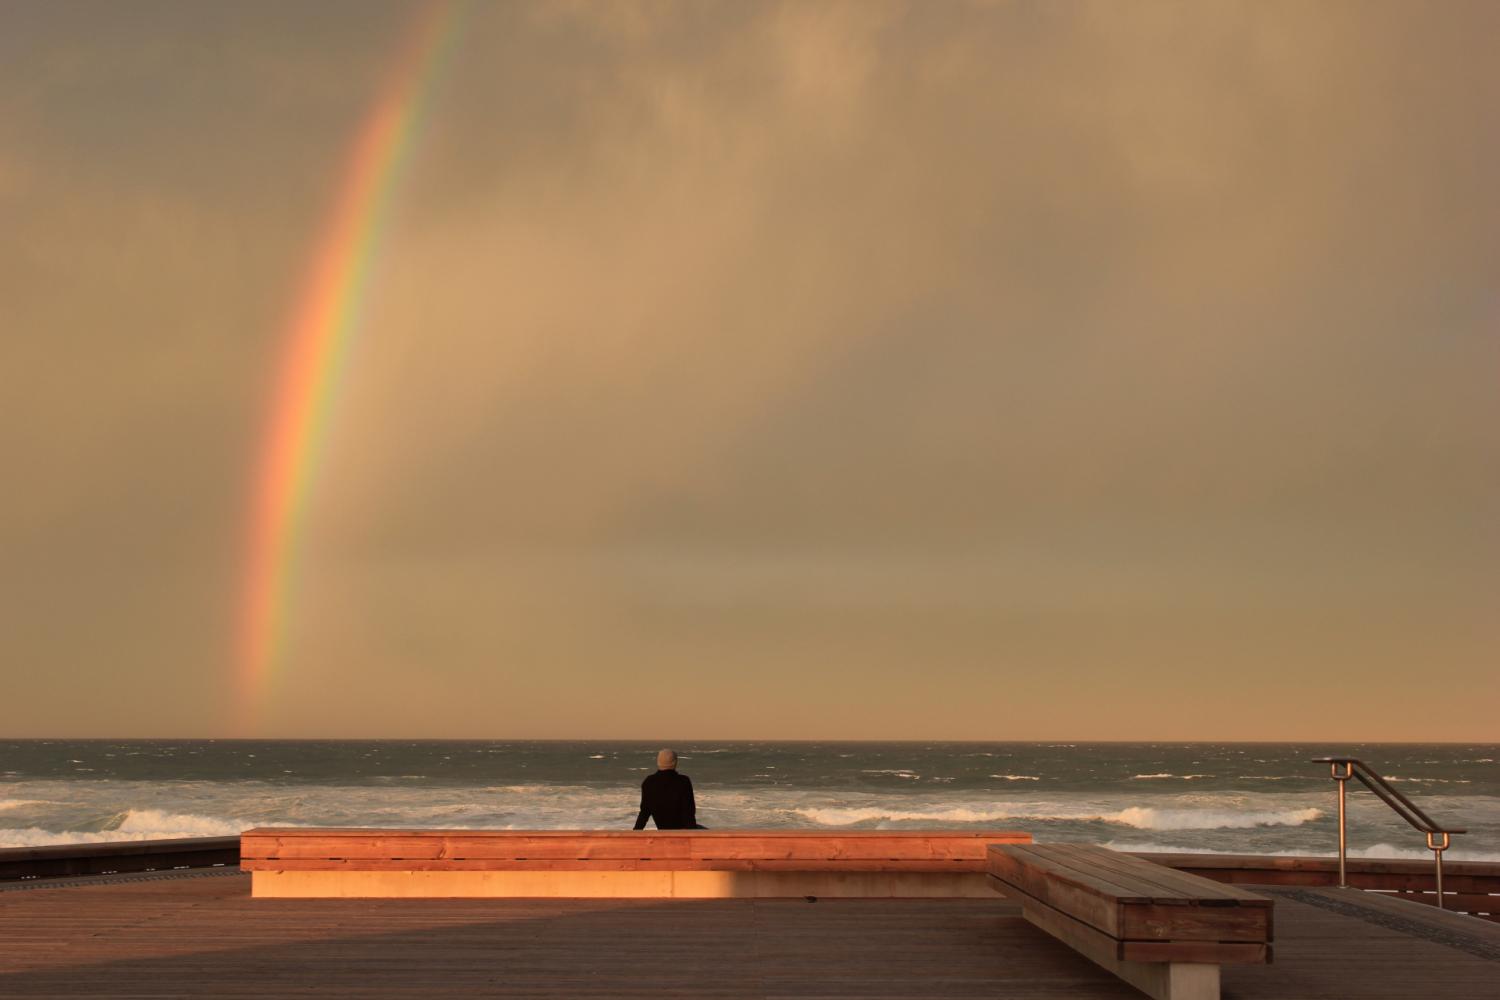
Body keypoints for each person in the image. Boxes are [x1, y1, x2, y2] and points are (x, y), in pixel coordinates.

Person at [632, 748, 704, 829]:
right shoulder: (683, 781)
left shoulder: (648, 782)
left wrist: (635, 832)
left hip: (663, 831)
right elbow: (689, 812)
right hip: (683, 832)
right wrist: (692, 834)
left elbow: (644, 813)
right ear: (675, 762)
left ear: (658, 762)